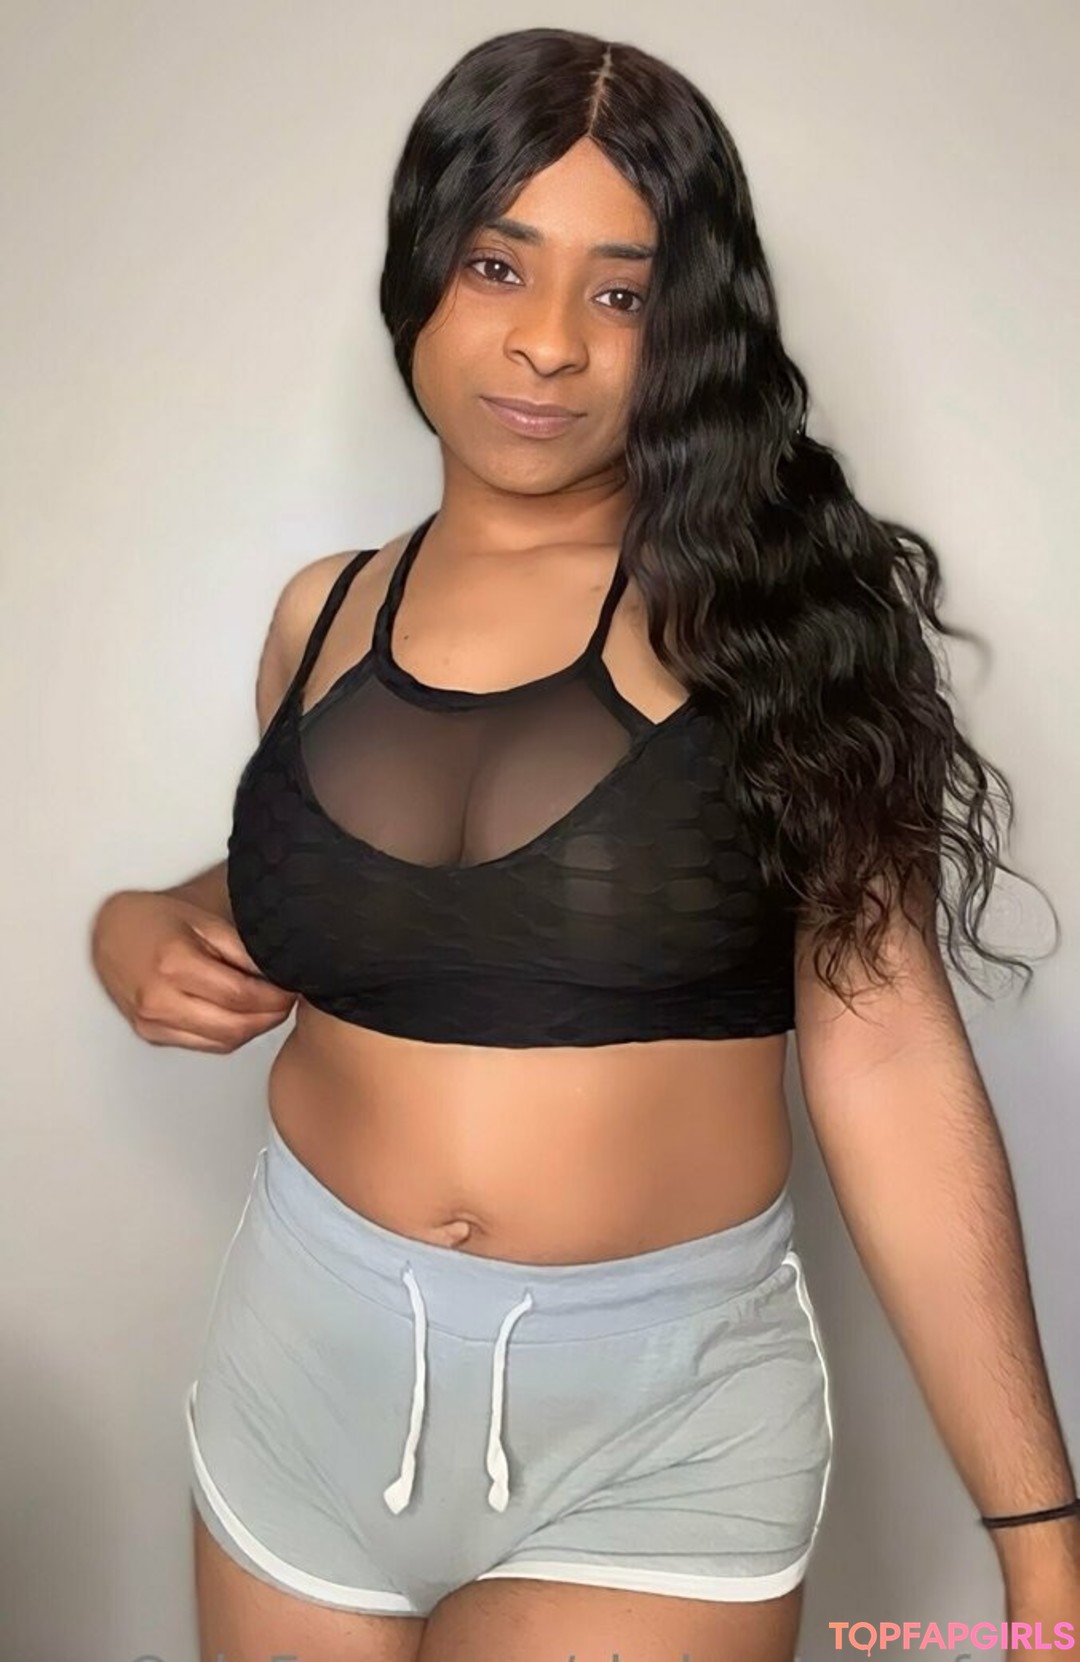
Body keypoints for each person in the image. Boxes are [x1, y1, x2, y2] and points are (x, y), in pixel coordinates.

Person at [89, 26, 1078, 1662]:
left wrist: (1041, 1546)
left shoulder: (772, 631)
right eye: (500, 265)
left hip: (657, 1429)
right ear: (421, 269)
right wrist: (142, 917)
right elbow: (358, 894)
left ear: (687, 331)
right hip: (301, 1376)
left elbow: (891, 1053)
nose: (548, 342)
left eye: (622, 292)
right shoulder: (321, 616)